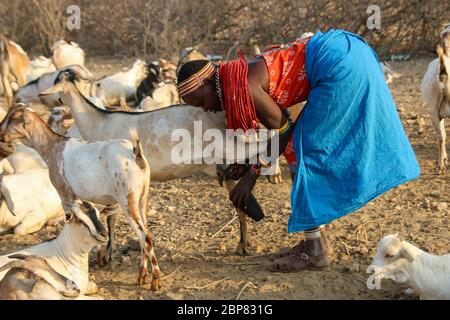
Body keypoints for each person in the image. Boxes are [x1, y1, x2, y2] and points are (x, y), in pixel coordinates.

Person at [176, 29, 420, 273]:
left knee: (300, 150)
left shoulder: (244, 86)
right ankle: (314, 242)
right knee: (299, 143)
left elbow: (284, 130)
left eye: (200, 102)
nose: (206, 110)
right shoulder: (237, 76)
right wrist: (251, 163)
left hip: (338, 64)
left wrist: (251, 177)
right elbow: (281, 126)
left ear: (207, 83)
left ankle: (315, 252)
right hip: (347, 51)